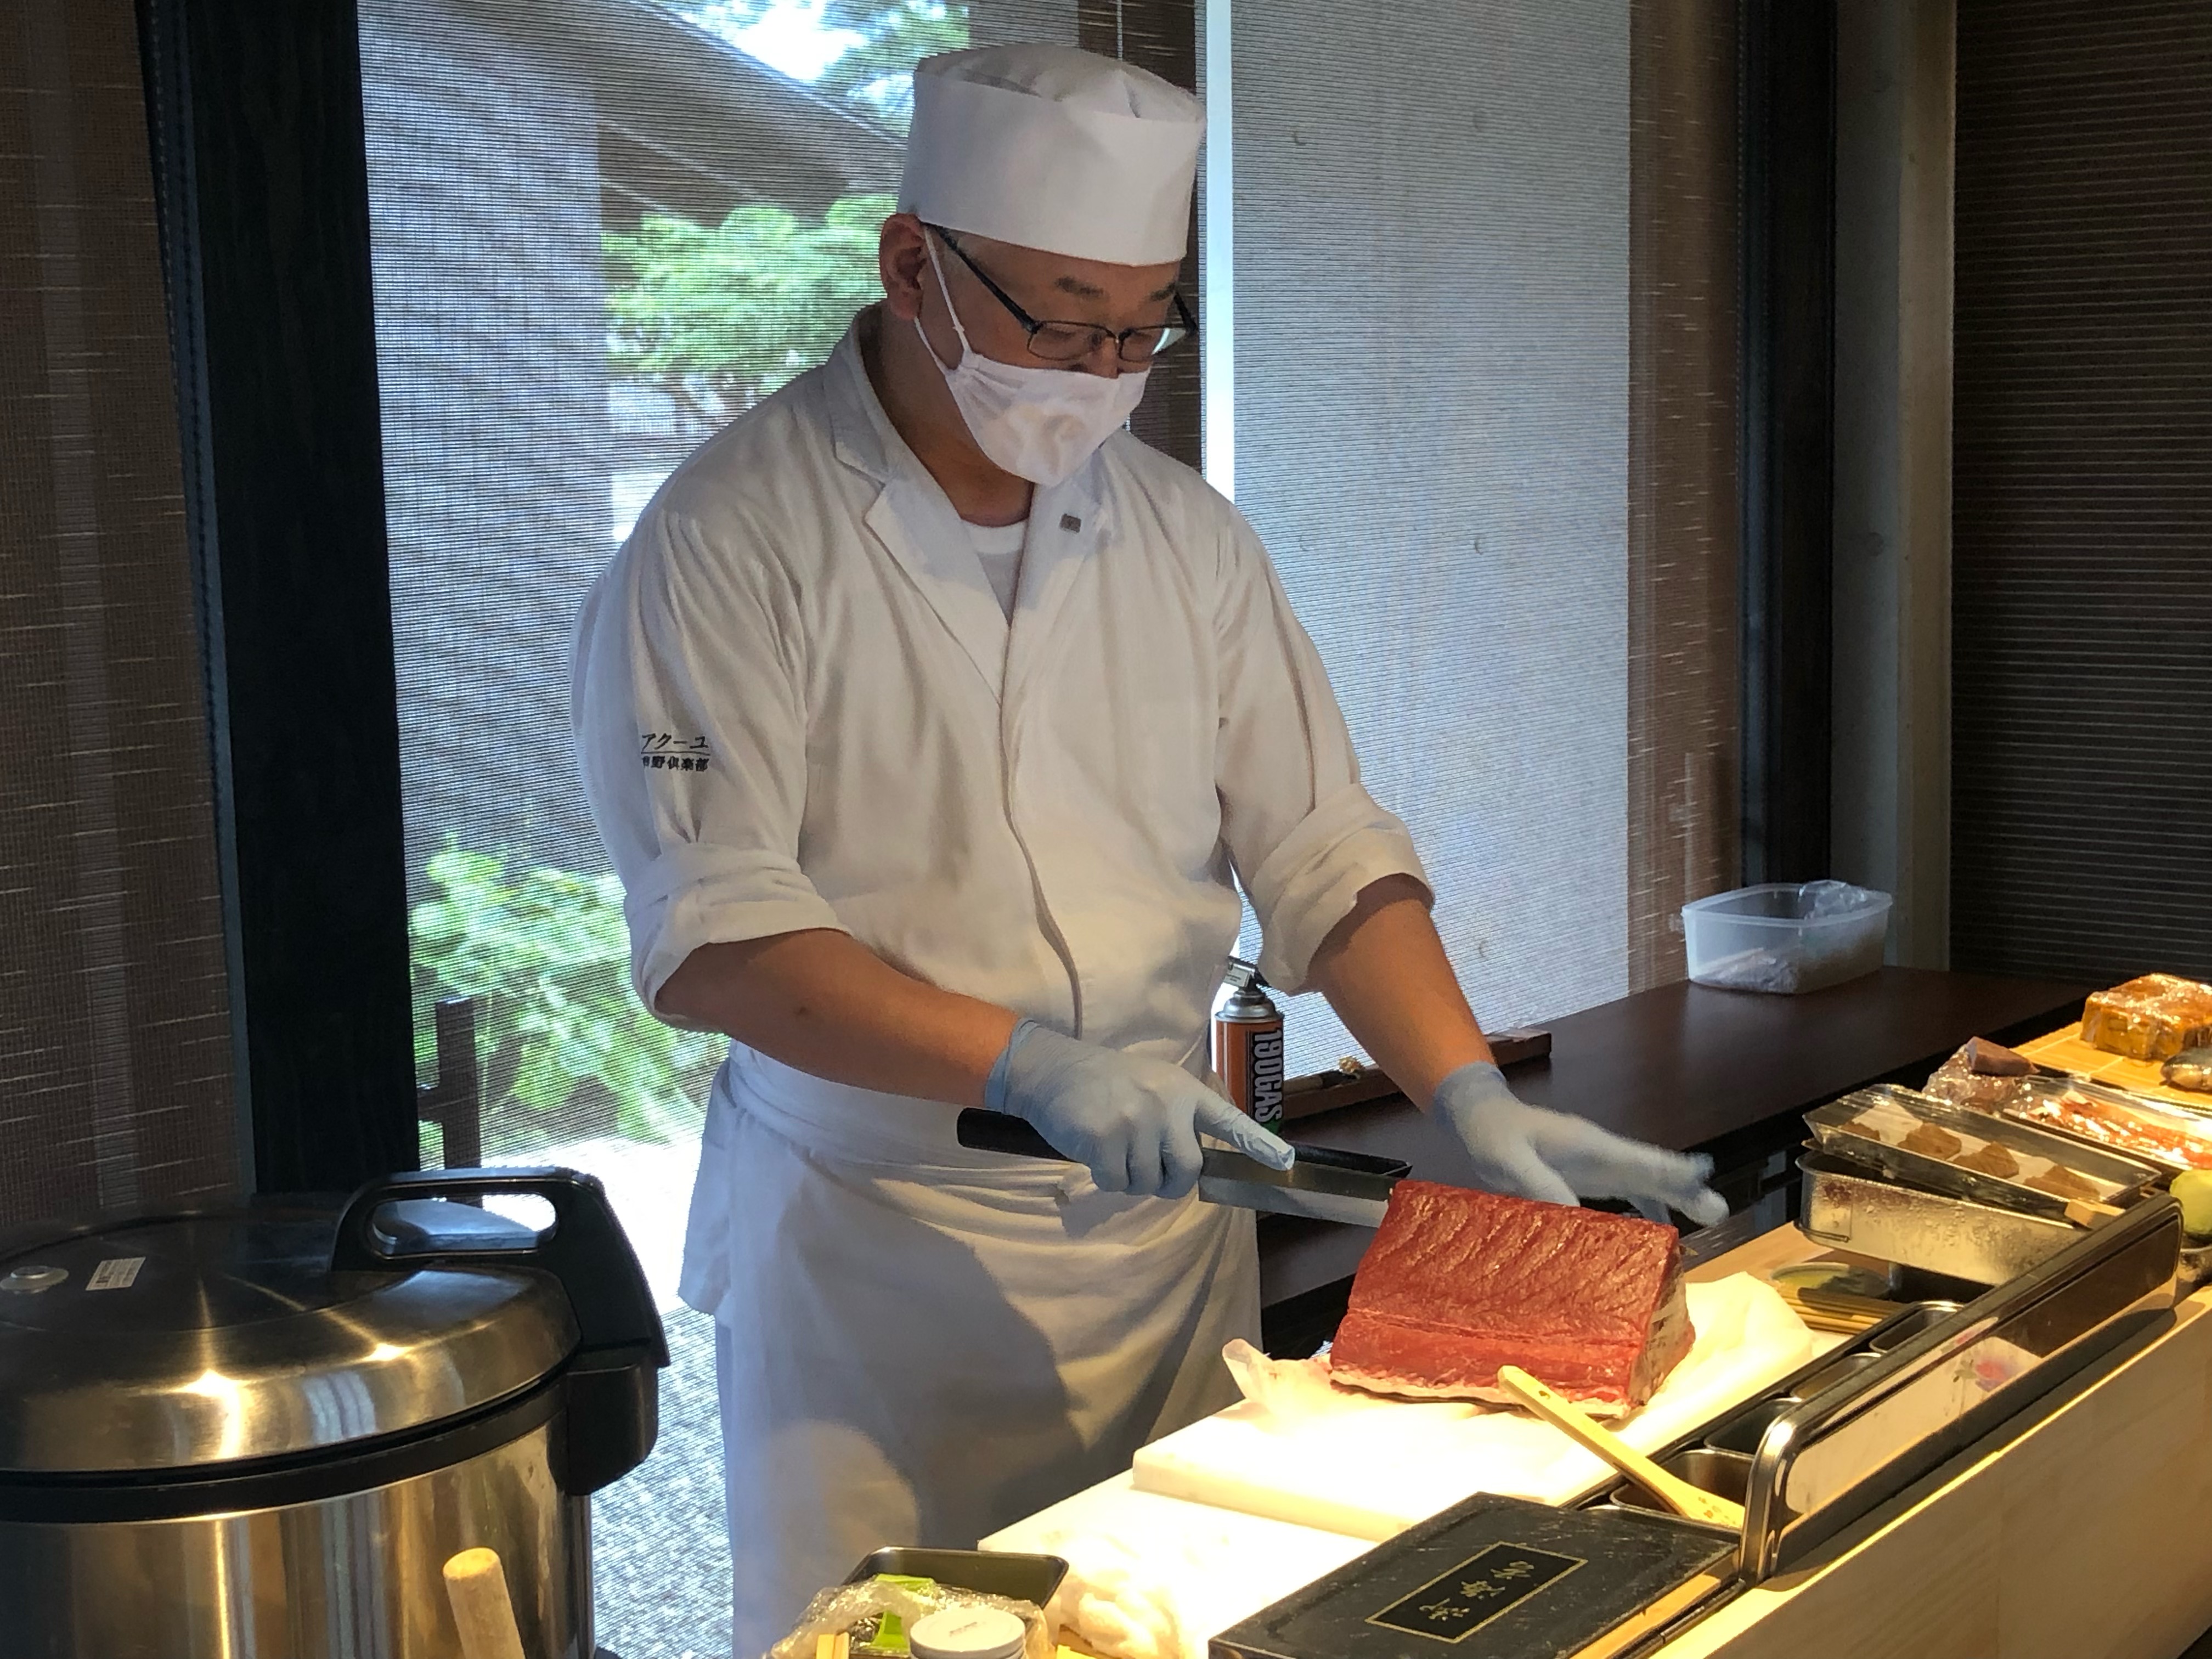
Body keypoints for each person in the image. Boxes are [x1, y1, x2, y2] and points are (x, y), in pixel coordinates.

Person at [572, 42, 1725, 1654]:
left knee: (1163, 1624)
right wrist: (1029, 1063)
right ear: (915, 264)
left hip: (1160, 1245)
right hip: (877, 1256)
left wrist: (1465, 1090)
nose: (1105, 368)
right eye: (1059, 317)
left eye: (1140, 325)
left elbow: (1322, 844)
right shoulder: (724, 542)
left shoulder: (1183, 536)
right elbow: (721, 938)